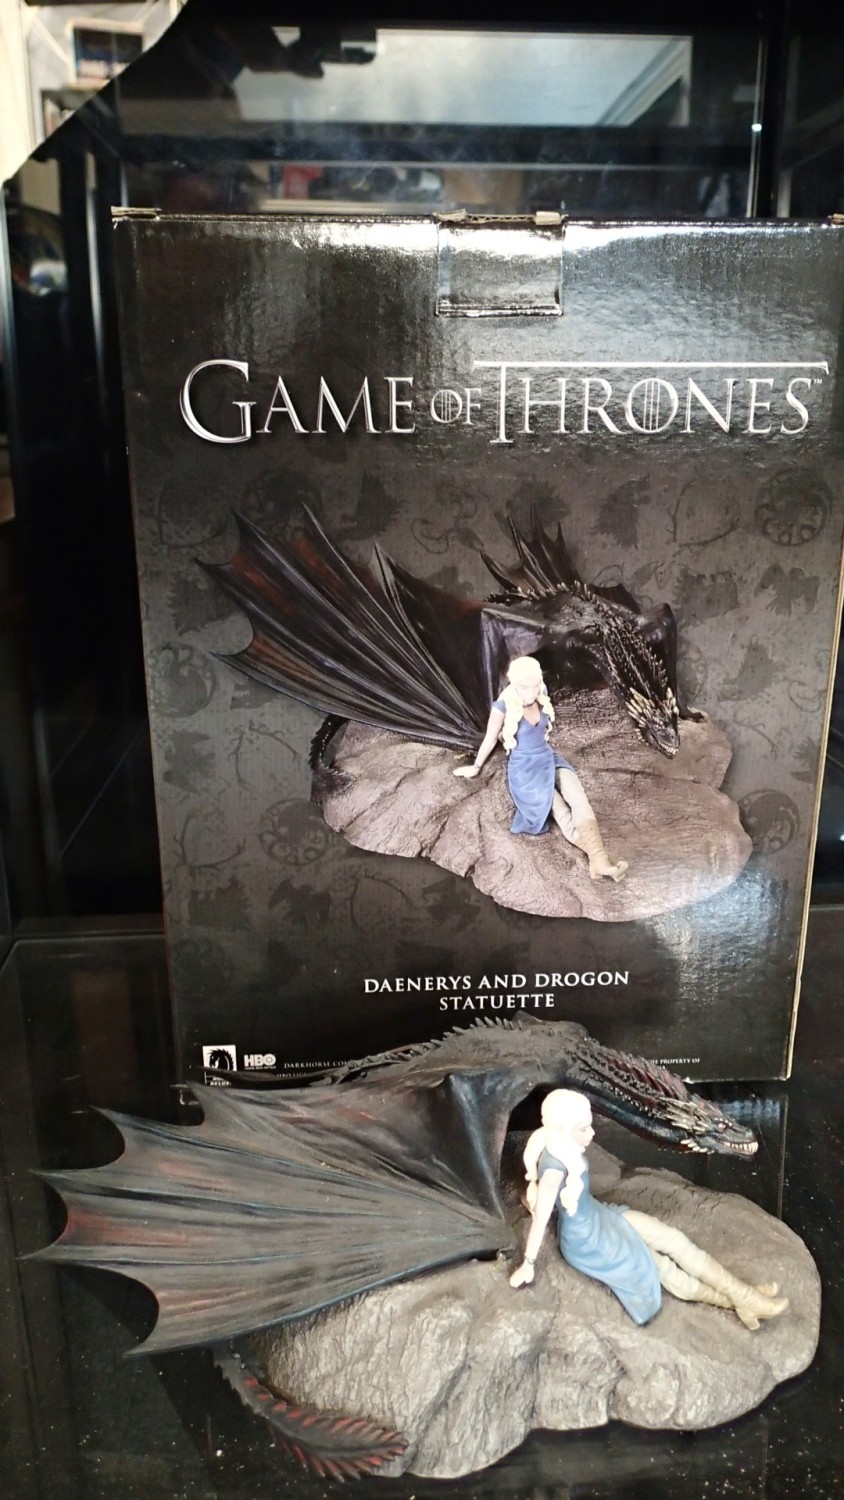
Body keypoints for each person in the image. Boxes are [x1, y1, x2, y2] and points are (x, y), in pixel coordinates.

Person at [509, 1090, 789, 1331]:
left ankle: (744, 1295)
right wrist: (528, 1264)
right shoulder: (553, 1171)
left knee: (673, 1239)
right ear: (562, 1129)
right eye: (583, 1129)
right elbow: (541, 1217)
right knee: (661, 1267)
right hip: (589, 1241)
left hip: (600, 1215)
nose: (592, 1133)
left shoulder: (553, 1141)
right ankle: (743, 1301)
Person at [453, 655, 627, 881]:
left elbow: (541, 716)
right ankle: (599, 859)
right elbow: (490, 738)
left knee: (577, 796)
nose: (531, 692)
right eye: (525, 687)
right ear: (514, 683)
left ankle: (599, 859)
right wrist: (476, 766)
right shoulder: (502, 706)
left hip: (548, 757)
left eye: (535, 685)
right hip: (525, 770)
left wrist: (537, 690)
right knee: (558, 807)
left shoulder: (541, 691)